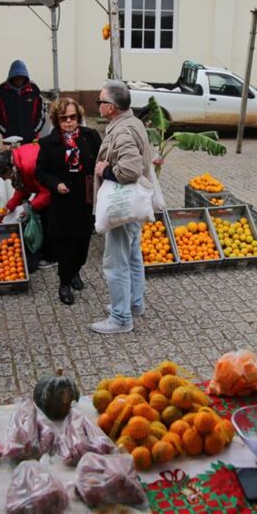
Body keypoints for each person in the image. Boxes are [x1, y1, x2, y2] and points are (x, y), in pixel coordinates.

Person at [91, 80, 161, 334]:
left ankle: (121, 318)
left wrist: (105, 170)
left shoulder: (121, 131)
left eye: (100, 101)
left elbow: (130, 169)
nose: (98, 105)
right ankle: (134, 303)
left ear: (111, 107)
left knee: (115, 262)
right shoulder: (133, 122)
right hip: (133, 204)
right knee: (132, 255)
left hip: (122, 206)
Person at [36, 98, 102, 305]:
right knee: (65, 244)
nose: (68, 122)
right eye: (63, 118)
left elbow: (102, 160)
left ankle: (76, 271)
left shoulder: (90, 136)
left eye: (72, 117)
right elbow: (41, 172)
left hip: (86, 198)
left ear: (78, 117)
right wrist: (55, 184)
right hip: (62, 200)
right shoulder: (47, 143)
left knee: (83, 243)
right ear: (56, 120)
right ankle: (64, 282)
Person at [0, 60, 44, 142]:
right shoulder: (0, 91)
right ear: (11, 76)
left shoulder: (34, 90)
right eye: (16, 76)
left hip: (32, 139)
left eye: (21, 76)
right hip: (9, 139)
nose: (19, 79)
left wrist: (34, 131)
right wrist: (5, 132)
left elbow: (41, 112)